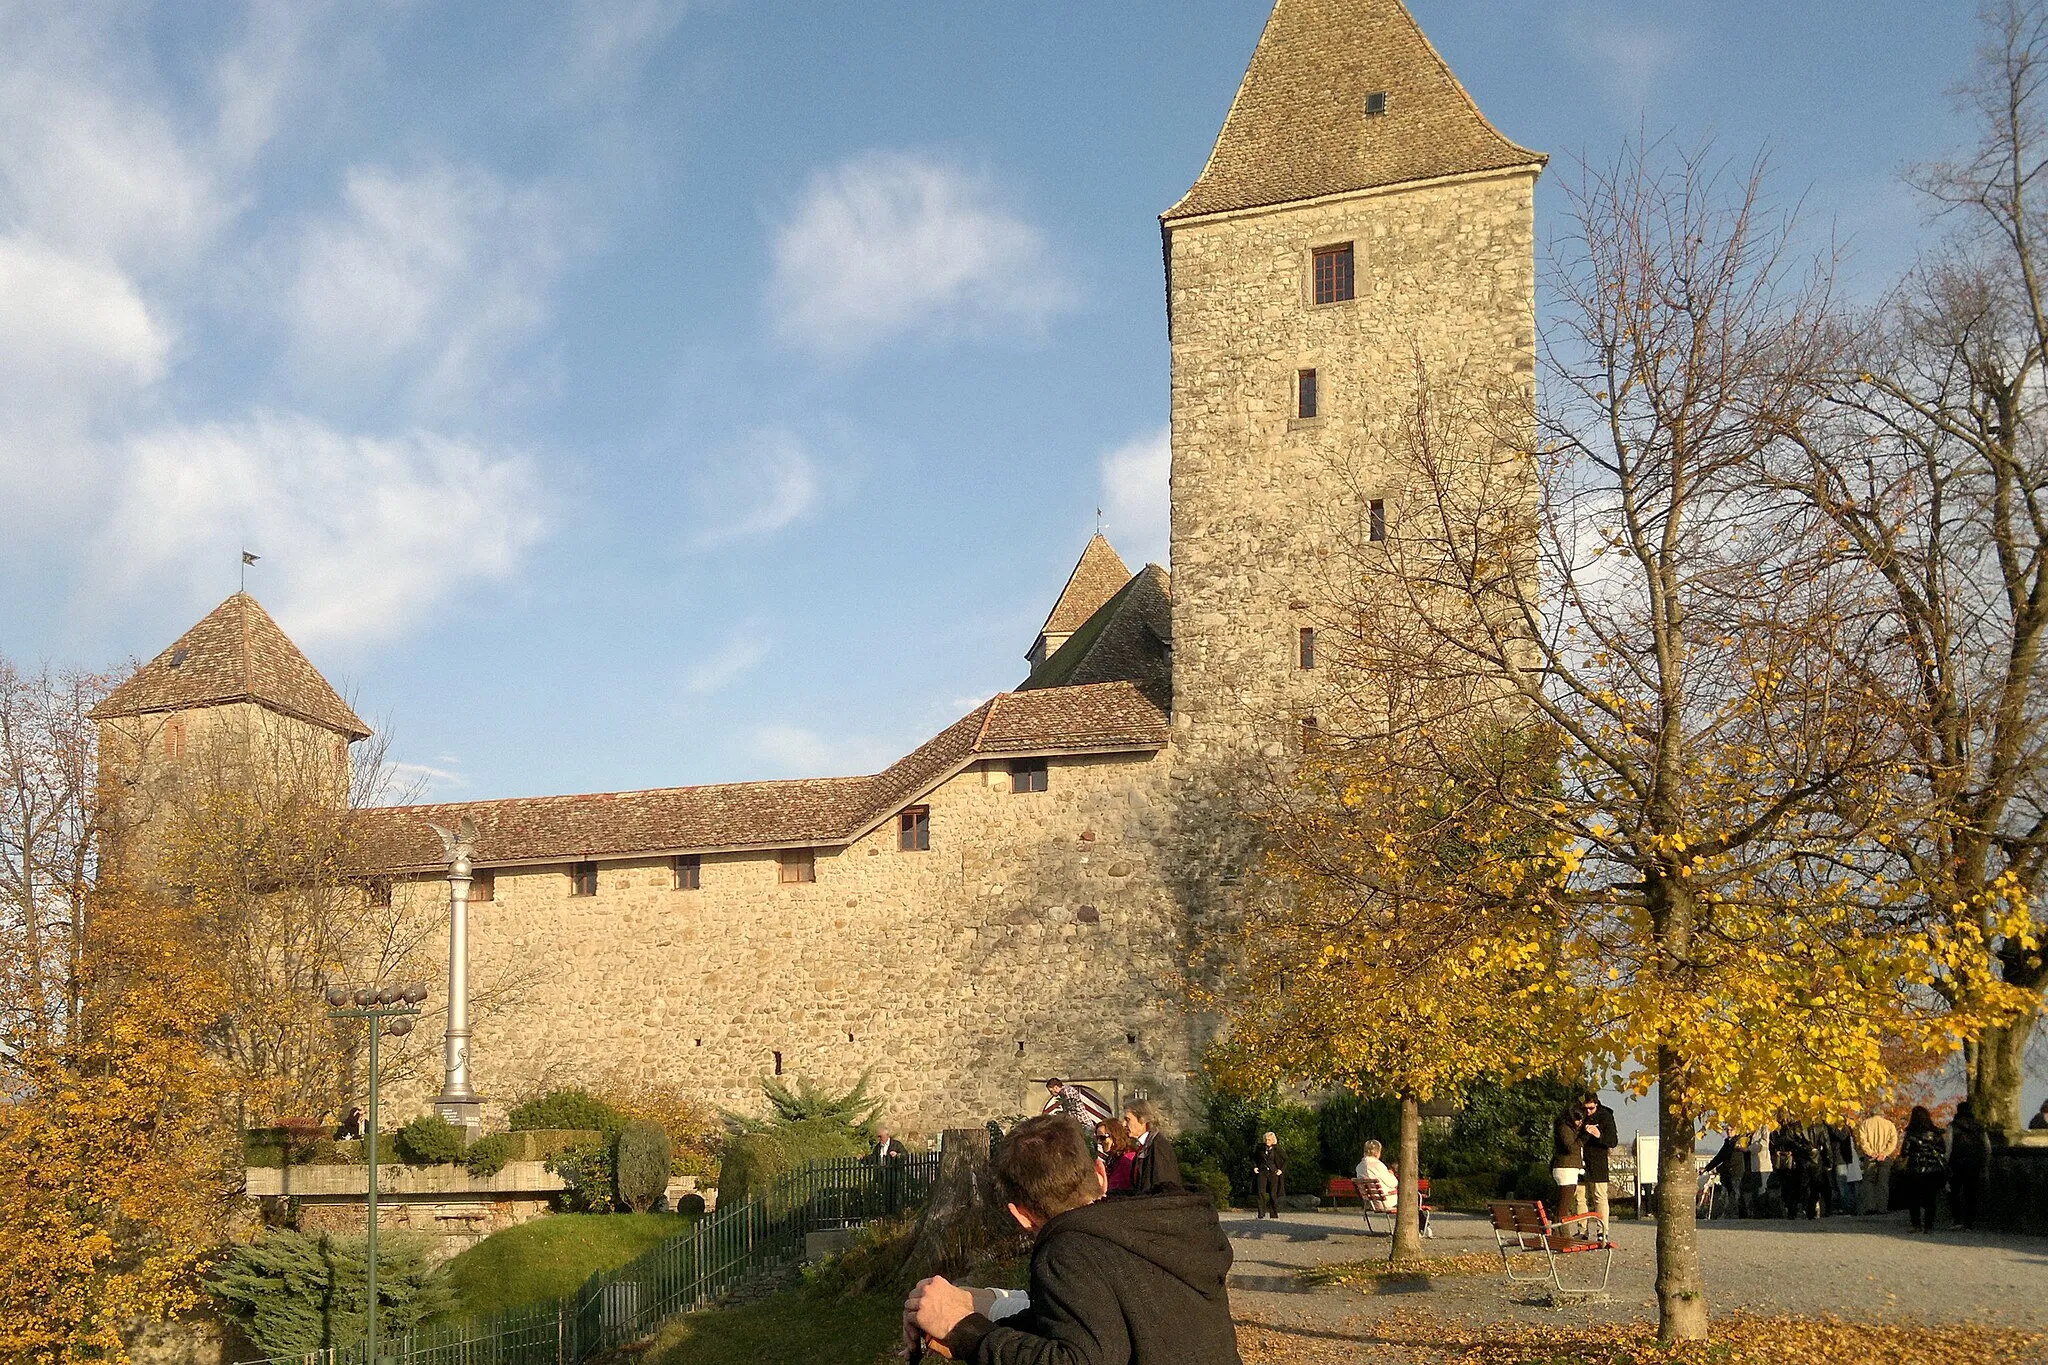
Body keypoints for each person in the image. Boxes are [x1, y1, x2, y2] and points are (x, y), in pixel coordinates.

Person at [901, 1113, 1243, 1365]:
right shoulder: (1166, 1227)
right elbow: (1082, 1317)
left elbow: (1078, 1358)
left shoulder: (1068, 1250)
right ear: (1100, 1173)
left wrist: (962, 1329)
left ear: (1019, 1214)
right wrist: (966, 1311)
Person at [1899, 1105, 1948, 1233]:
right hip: (1932, 1169)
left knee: (1913, 1198)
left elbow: (1904, 1152)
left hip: (1914, 1168)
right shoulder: (1936, 1133)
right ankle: (1929, 1226)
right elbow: (1942, 1149)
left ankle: (1916, 1225)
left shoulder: (1911, 1133)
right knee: (1930, 1199)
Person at [1575, 1093, 1619, 1225]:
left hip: (1597, 1160)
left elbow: (1613, 1141)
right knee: (1579, 1197)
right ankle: (1582, 1229)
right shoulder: (1577, 1115)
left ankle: (1602, 1231)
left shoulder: (1605, 1116)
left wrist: (1598, 1135)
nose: (1588, 1112)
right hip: (1580, 1161)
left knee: (1599, 1197)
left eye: (1591, 1109)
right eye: (1585, 1109)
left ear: (1597, 1104)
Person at [1122, 1099, 1182, 1194]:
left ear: (1142, 1120)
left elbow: (1164, 1184)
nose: (1123, 1124)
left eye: (1127, 1120)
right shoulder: (1145, 1146)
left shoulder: (1158, 1146)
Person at [1948, 1100, 1990, 1231]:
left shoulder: (1953, 1126)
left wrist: (1945, 1163)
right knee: (1971, 1193)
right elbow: (1986, 1146)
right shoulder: (1979, 1126)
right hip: (1974, 1164)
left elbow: (1948, 1147)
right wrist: (1985, 1163)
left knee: (1954, 1193)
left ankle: (1957, 1219)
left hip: (1956, 1163)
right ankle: (1969, 1223)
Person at [1855, 1112, 1899, 1216]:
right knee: (1883, 1182)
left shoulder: (1865, 1124)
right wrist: (1884, 1153)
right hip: (1885, 1157)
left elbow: (1862, 1140)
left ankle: (1870, 1206)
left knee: (1869, 1181)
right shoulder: (1889, 1124)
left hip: (1870, 1157)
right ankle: (1882, 1207)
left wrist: (1870, 1152)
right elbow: (1893, 1141)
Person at [1550, 1100, 1586, 1218]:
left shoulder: (1565, 1127)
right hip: (1567, 1168)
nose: (1580, 1123)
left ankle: (1558, 1234)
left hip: (1567, 1168)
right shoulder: (1565, 1128)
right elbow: (1571, 1147)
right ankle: (1563, 1235)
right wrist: (1585, 1136)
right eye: (1578, 1120)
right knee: (1563, 1207)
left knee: (1562, 1205)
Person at [867, 1125, 910, 1214]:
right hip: (882, 1177)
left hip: (894, 1176)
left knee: (896, 1197)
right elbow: (873, 1158)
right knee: (885, 1198)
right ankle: (887, 1216)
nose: (879, 1139)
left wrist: (897, 1155)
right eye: (878, 1137)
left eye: (880, 1137)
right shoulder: (878, 1147)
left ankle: (897, 1216)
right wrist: (863, 1159)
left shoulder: (896, 1144)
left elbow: (905, 1155)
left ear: (887, 1136)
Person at [1042, 1078, 1113, 1129]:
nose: (1050, 1093)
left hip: (1083, 1123)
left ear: (1056, 1087)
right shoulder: (1063, 1093)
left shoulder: (1068, 1091)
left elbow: (1072, 1109)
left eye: (1051, 1091)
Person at [1826, 1123, 1862, 1216]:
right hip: (1834, 1158)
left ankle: (1847, 1209)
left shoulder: (1840, 1127)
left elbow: (1842, 1136)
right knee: (1836, 1185)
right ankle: (1839, 1208)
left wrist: (1831, 1125)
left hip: (1840, 1159)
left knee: (1842, 1185)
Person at [1099, 1120, 1139, 1194]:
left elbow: (1134, 1187)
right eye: (1097, 1138)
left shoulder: (1128, 1157)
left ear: (1115, 1135)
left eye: (1102, 1137)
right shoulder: (1111, 1158)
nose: (1099, 1142)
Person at [1253, 1131, 1286, 1219]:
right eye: (1266, 1139)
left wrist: (1281, 1170)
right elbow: (1254, 1158)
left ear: (1273, 1140)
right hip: (1262, 1171)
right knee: (1261, 1193)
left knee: (1273, 1194)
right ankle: (1261, 1214)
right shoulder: (1260, 1148)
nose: (1267, 1141)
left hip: (1273, 1172)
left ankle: (1273, 1214)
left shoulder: (1277, 1149)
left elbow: (1285, 1160)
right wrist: (1255, 1167)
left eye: (1269, 1140)